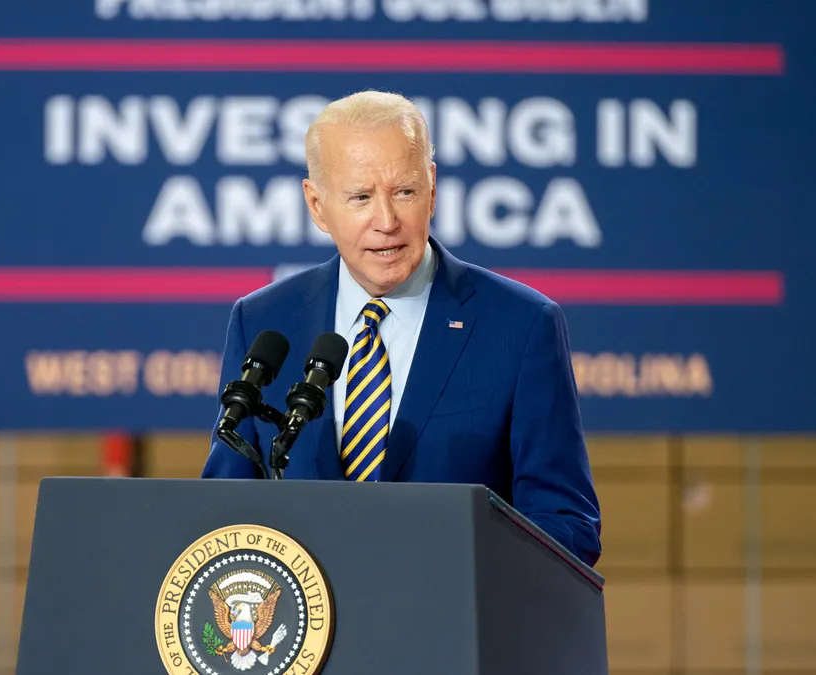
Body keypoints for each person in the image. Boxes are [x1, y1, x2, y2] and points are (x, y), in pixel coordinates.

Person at [200, 90, 601, 567]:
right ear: (317, 204)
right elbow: (224, 515)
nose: (386, 221)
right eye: (360, 197)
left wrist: (444, 565)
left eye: (404, 192)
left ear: (432, 187)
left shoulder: (522, 324)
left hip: (455, 627)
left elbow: (567, 523)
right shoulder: (263, 321)